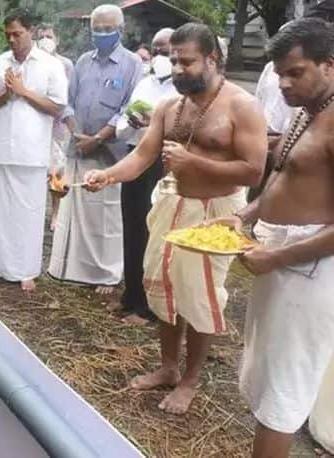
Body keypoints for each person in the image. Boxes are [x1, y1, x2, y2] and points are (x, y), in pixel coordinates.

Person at [84, 22, 267, 414]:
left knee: (200, 299)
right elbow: (141, 156)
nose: (179, 69)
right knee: (164, 290)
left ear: (212, 59)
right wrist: (107, 175)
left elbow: (254, 170)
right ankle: (168, 367)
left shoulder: (242, 106)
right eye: (174, 61)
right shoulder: (169, 107)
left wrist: (193, 161)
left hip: (216, 214)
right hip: (172, 205)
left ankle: (190, 380)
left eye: (187, 62)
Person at [218, 18, 334, 457]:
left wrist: (280, 257)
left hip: (310, 272)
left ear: (329, 65)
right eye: (279, 72)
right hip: (281, 261)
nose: (283, 83)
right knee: (268, 380)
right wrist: (245, 214)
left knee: (284, 389)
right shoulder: (308, 113)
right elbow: (283, 178)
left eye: (295, 72)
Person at [0, 8, 67, 291]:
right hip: (0, 148)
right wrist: (6, 94)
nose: (11, 39)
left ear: (32, 32)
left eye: (17, 34)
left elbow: (57, 107)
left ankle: (25, 270)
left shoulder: (50, 65)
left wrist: (23, 92)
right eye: (7, 34)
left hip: (32, 151)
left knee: (28, 214)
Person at [47, 4, 142, 295]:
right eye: (96, 29)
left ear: (121, 30)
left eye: (106, 29)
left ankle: (107, 274)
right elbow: (68, 102)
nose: (101, 34)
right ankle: (71, 268)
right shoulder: (83, 62)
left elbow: (130, 110)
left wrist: (98, 138)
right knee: (76, 211)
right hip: (79, 147)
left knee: (106, 216)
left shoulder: (132, 64)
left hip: (110, 155)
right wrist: (77, 133)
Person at [114, 28, 177, 326]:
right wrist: (131, 122)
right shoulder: (143, 84)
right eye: (156, 50)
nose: (160, 56)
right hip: (134, 159)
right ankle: (132, 295)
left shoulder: (183, 90)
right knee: (133, 228)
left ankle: (149, 307)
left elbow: (183, 132)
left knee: (155, 233)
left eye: (166, 50)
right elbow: (123, 126)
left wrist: (157, 122)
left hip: (163, 166)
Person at [36, 23, 74, 232]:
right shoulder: (31, 63)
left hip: (58, 128)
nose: (45, 40)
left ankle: (56, 214)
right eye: (41, 36)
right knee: (37, 171)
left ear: (57, 40)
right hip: (35, 127)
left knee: (57, 173)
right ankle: (35, 213)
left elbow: (70, 96)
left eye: (49, 36)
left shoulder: (66, 65)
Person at [247, 56, 296, 202]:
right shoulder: (270, 67)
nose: (283, 84)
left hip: (289, 140)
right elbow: (259, 98)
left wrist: (284, 138)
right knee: (259, 194)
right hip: (264, 139)